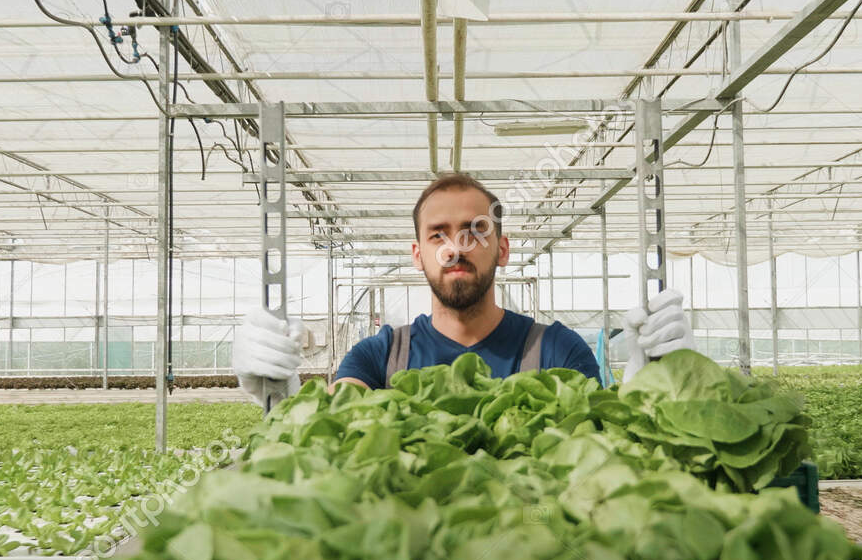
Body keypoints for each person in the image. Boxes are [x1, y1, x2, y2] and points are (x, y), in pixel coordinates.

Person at [232, 173, 695, 403]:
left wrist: (648, 386)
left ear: (503, 249)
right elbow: (333, 430)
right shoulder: (377, 357)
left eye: (475, 230)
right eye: (438, 234)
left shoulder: (558, 351)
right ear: (418, 255)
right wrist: (282, 396)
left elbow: (605, 445)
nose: (456, 247)